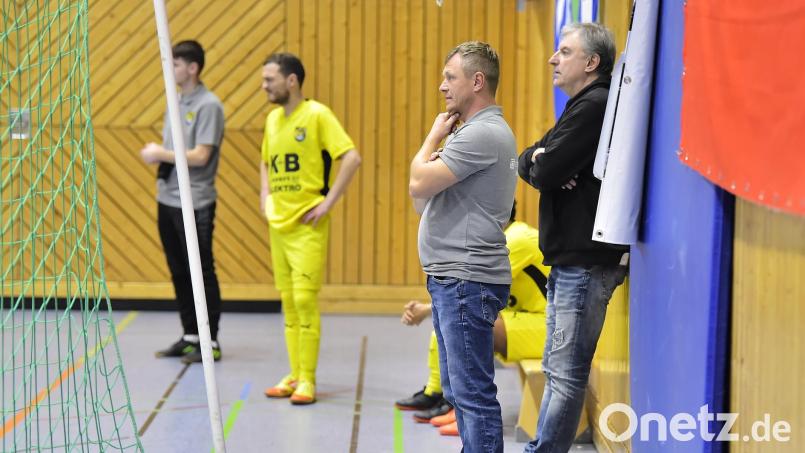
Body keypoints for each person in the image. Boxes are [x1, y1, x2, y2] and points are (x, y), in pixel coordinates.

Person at [517, 23, 629, 453]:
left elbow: (543, 170)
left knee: (564, 374)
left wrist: (544, 164)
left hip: (585, 263)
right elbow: (530, 158)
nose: (553, 58)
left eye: (564, 52)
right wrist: (541, 162)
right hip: (572, 262)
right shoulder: (581, 105)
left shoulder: (594, 105)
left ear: (591, 62)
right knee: (557, 368)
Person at [409, 41, 518, 453]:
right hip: (457, 278)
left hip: (464, 280)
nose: (442, 87)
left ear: (477, 81)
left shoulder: (481, 134)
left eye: (449, 77)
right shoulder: (478, 132)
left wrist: (432, 138)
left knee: (472, 396)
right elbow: (423, 200)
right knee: (463, 394)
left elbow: (417, 183)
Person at [259, 53, 362, 405]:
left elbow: (351, 157)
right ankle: (294, 374)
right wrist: (265, 196)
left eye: (270, 79)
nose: (264, 85)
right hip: (279, 224)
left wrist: (328, 202)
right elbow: (265, 162)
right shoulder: (272, 120)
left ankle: (309, 380)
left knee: (304, 300)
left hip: (307, 224)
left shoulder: (317, 115)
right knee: (288, 302)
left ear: (291, 81)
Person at [396, 202, 549, 438]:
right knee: (454, 322)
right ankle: (439, 396)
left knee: (461, 324)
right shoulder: (498, 241)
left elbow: (472, 286)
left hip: (547, 328)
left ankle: (464, 411)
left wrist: (424, 310)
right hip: (530, 320)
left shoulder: (515, 239)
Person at [142, 40, 225, 364]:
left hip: (196, 202)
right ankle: (191, 335)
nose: (171, 69)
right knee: (178, 270)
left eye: (176, 64)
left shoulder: (209, 105)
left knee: (201, 272)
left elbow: (202, 156)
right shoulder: (176, 101)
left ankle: (211, 340)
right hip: (168, 199)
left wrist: (159, 154)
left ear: (192, 67)